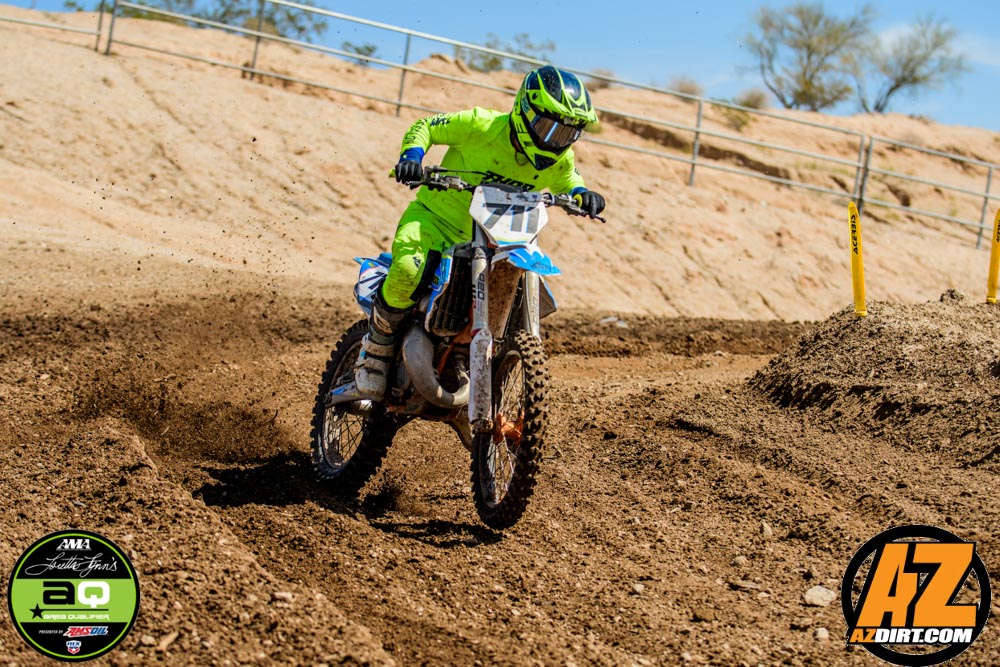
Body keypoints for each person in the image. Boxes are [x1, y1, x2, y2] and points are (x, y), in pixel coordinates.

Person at [355, 65, 607, 399]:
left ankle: (478, 367)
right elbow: (426, 126)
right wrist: (412, 157)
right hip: (435, 221)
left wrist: (581, 193)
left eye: (565, 134)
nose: (554, 141)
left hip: (496, 240)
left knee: (514, 286)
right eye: (548, 128)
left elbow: (568, 178)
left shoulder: (560, 158)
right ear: (525, 110)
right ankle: (376, 349)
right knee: (407, 270)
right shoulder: (481, 125)